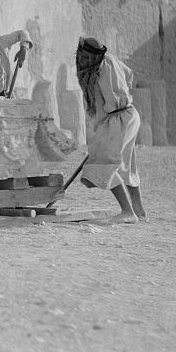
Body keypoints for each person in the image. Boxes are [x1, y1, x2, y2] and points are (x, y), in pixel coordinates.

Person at [75, 37, 147, 224]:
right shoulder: (110, 60)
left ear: (95, 58)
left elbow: (108, 104)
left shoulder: (102, 70)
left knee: (103, 164)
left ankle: (127, 212)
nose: (82, 60)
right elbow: (129, 74)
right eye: (81, 55)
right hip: (127, 116)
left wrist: (104, 133)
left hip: (119, 118)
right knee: (126, 166)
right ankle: (139, 212)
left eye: (87, 57)